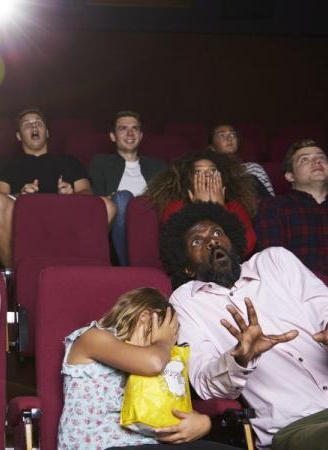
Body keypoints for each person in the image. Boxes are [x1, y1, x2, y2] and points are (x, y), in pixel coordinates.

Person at [160, 201, 328, 449]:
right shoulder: (186, 301)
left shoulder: (275, 260)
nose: (212, 241)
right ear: (186, 267)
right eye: (197, 241)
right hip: (296, 424)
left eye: (217, 233)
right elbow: (204, 383)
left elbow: (322, 303)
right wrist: (239, 359)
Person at [58, 287, 236, 450]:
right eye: (168, 333)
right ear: (144, 318)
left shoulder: (156, 356)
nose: (171, 343)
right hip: (101, 446)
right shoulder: (92, 337)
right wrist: (163, 342)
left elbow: (171, 405)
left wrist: (203, 423)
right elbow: (153, 363)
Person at [0, 107, 116, 267]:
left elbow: (87, 193)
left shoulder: (69, 161)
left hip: (65, 217)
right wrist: (20, 195)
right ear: (18, 136)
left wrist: (71, 194)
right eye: (27, 125)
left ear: (47, 133)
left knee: (107, 205)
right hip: (24, 217)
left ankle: (81, 267)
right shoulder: (6, 163)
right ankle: (16, 273)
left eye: (38, 123)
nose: (34, 127)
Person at [88, 110, 167, 265]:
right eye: (123, 128)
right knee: (122, 198)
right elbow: (96, 201)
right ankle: (128, 267)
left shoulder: (158, 165)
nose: (130, 133)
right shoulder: (101, 163)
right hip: (117, 229)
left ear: (141, 135)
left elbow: (166, 200)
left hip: (152, 224)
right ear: (113, 136)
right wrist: (113, 199)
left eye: (135, 128)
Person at [144, 148, 257, 257]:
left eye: (212, 171)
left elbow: (246, 246)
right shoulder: (175, 206)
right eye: (199, 172)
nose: (207, 176)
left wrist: (220, 210)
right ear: (189, 181)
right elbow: (180, 251)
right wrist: (201, 209)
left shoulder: (234, 205)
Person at [254, 138, 327, 281]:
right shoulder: (273, 207)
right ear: (290, 176)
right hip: (299, 292)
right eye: (305, 160)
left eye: (321, 158)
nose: (317, 162)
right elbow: (273, 263)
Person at [207, 123, 273, 197]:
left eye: (232, 134)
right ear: (212, 147)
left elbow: (270, 202)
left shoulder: (254, 168)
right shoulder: (209, 173)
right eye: (222, 135)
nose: (229, 138)